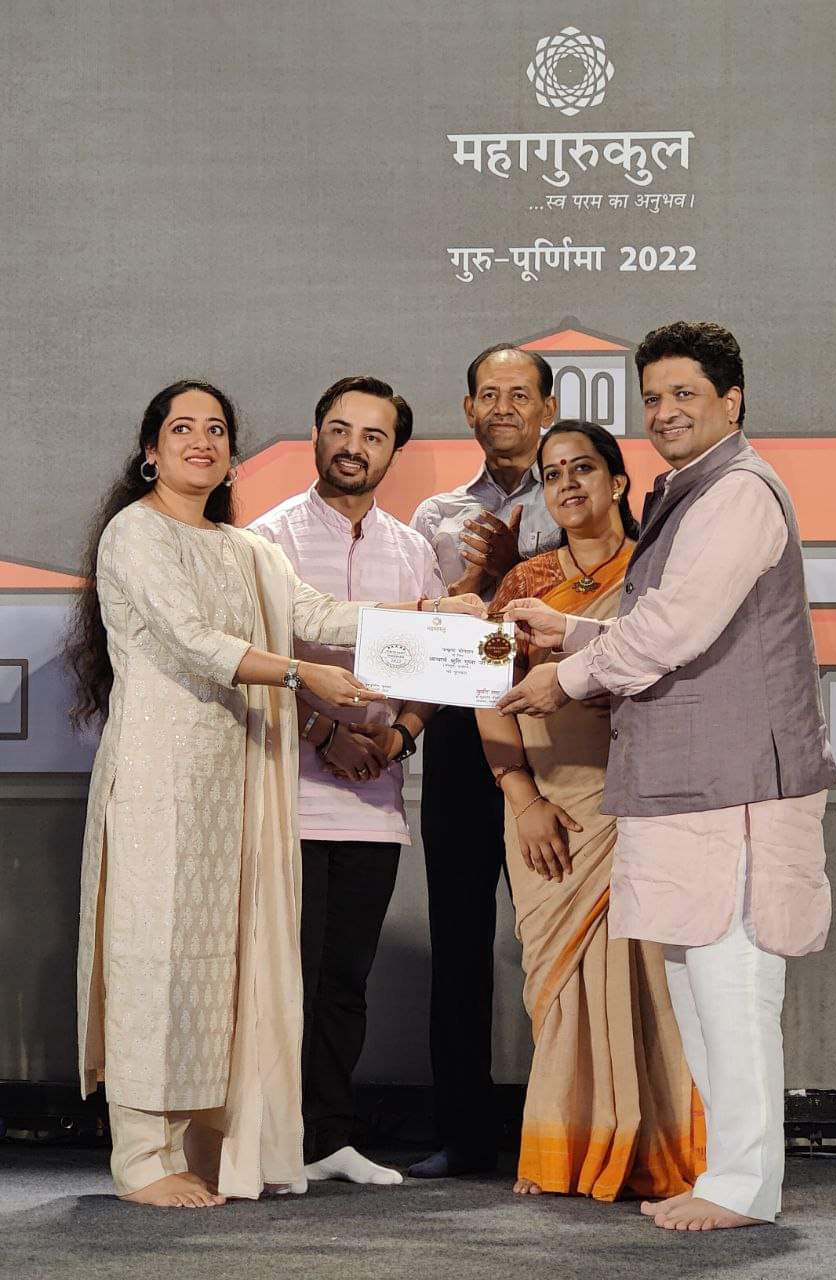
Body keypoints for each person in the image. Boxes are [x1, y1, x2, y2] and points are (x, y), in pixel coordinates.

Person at [66, 380, 482, 1208]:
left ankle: (207, 1142)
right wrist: (300, 675)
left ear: (232, 453)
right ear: (150, 449)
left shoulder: (243, 549)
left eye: (216, 429)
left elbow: (319, 613)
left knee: (221, 970)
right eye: (182, 428)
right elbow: (193, 642)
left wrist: (436, 614)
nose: (201, 441)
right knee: (155, 959)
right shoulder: (134, 532)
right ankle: (142, 1158)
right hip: (159, 780)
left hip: (239, 787)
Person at [498, 322, 836, 1230]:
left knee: (732, 986)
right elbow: (671, 623)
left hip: (736, 782)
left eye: (685, 393)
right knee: (698, 984)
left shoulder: (738, 493)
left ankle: (745, 1185)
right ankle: (729, 1175)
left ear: (732, 400)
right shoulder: (694, 493)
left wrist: (566, 675)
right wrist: (572, 631)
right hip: (690, 781)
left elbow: (677, 629)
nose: (665, 411)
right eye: (653, 397)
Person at [476, 421, 704, 1204]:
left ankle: (654, 1150)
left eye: (583, 469)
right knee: (563, 981)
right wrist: (524, 800)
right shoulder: (525, 583)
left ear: (618, 482)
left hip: (643, 806)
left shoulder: (655, 574)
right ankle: (567, 1150)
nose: (568, 484)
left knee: (652, 981)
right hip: (551, 809)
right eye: (553, 474)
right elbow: (486, 697)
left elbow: (685, 680)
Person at [251, 376, 445, 1188]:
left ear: (393, 451)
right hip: (284, 798)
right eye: (339, 429)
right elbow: (250, 663)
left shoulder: (412, 549)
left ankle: (328, 1138)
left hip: (373, 805)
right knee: (280, 980)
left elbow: (439, 665)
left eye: (373, 435)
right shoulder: (265, 540)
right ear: (315, 435)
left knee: (343, 984)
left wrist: (399, 737)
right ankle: (268, 1141)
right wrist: (324, 732)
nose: (353, 447)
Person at [407, 343, 561, 1178]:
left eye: (520, 394)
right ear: (468, 410)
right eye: (488, 394)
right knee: (460, 939)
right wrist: (473, 585)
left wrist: (510, 580)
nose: (504, 407)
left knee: (561, 937)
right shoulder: (434, 516)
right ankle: (463, 1135)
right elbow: (430, 636)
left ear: (547, 408)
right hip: (465, 738)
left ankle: (570, 1126)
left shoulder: (575, 492)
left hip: (563, 740)